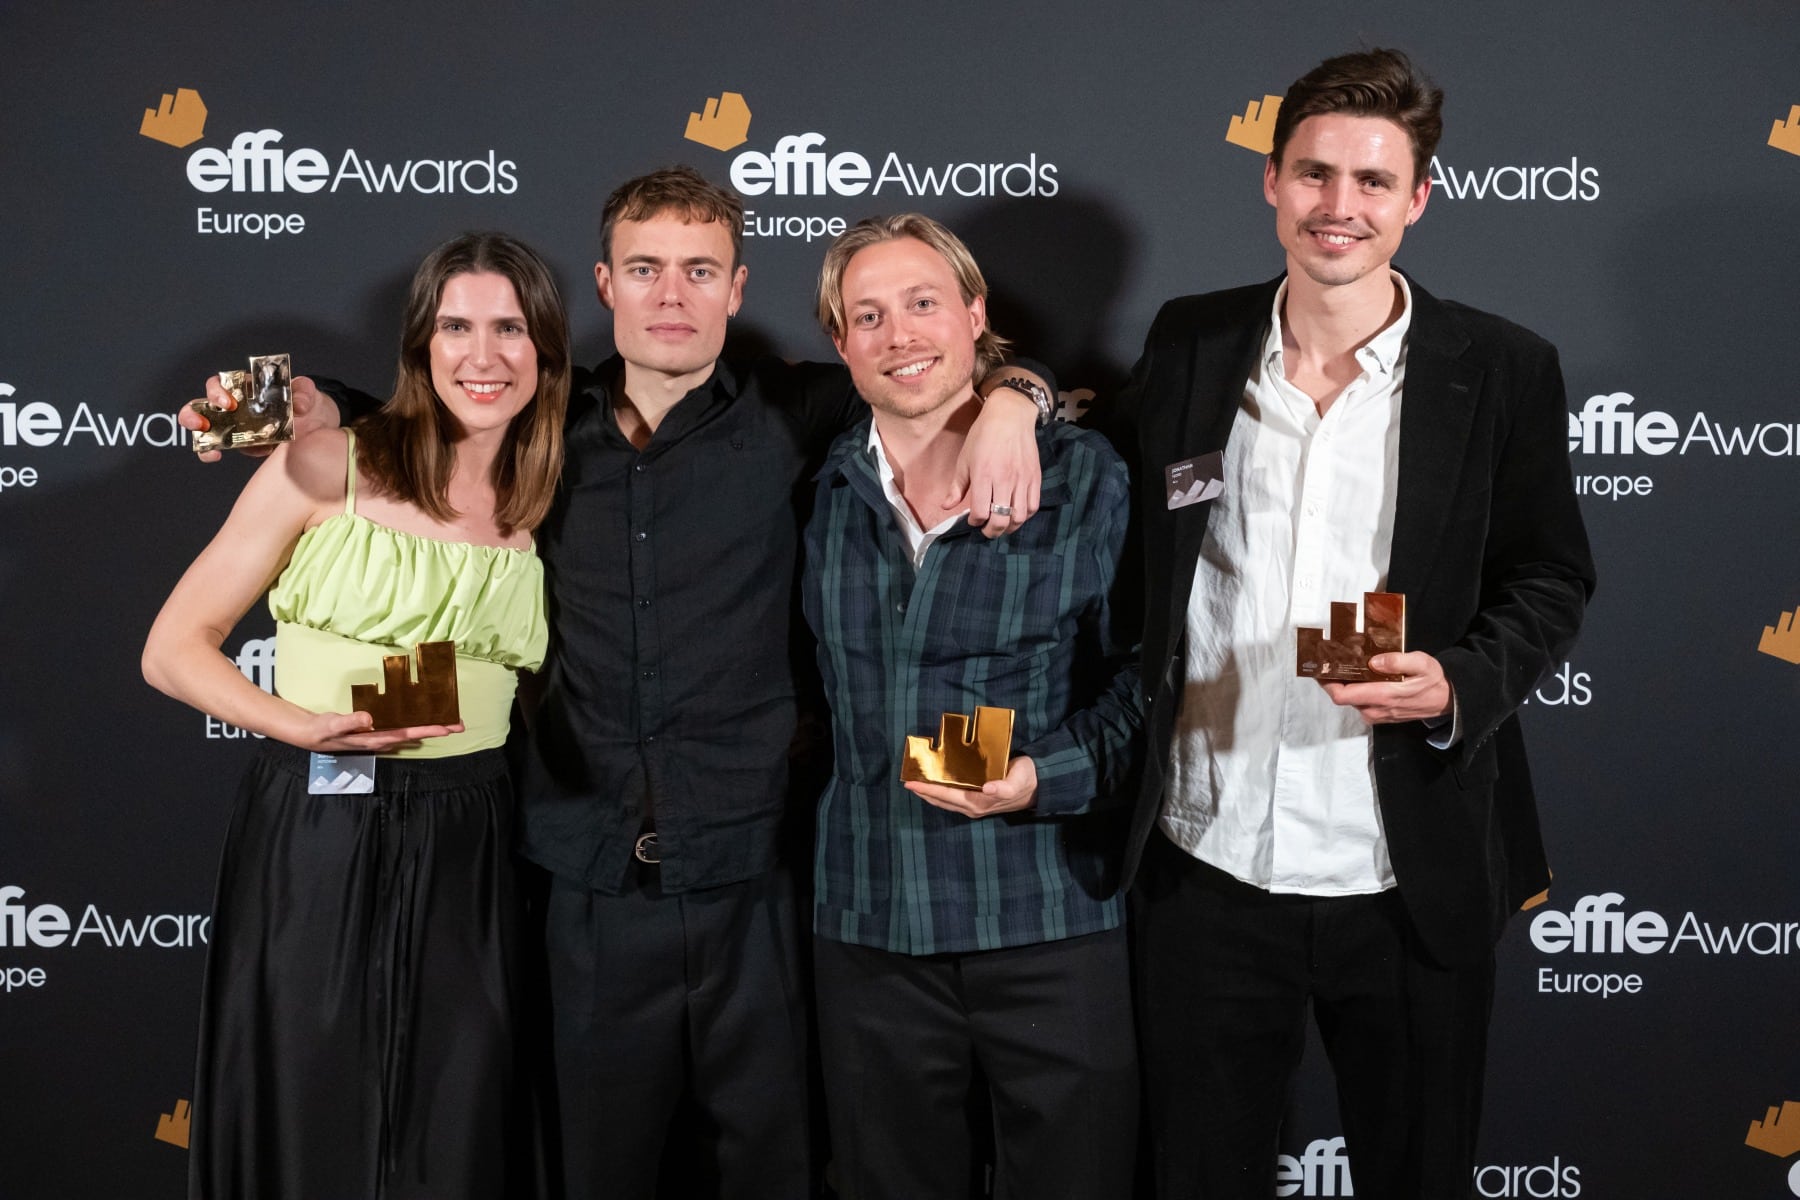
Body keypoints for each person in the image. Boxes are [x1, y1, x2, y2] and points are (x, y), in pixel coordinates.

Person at [180, 166, 1051, 1200]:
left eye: (700, 271)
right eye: (645, 269)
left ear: (737, 288)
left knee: (774, 1168)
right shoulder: (539, 429)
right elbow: (427, 423)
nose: (671, 295)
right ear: (604, 284)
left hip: (752, 881)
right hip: (582, 883)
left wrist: (1015, 400)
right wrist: (319, 403)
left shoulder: (798, 409)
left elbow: (926, 376)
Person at [1110, 49, 1597, 1198]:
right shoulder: (1191, 341)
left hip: (1406, 865)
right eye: (1315, 174)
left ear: (1418, 198)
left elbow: (1550, 574)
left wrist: (1461, 680)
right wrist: (1018, 399)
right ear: (1271, 182)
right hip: (1207, 857)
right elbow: (1113, 500)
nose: (1340, 205)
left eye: (1373, 181)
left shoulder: (1503, 368)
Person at [144, 231, 570, 1200]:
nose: (483, 355)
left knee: (456, 1113)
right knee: (313, 1094)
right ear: (421, 344)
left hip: (475, 829)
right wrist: (295, 727)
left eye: (510, 328)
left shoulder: (546, 491)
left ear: (545, 347)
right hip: (321, 816)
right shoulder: (324, 463)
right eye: (456, 327)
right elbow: (171, 648)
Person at [804, 214, 1142, 1199]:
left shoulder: (1083, 477)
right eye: (869, 315)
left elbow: (1148, 684)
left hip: (1046, 916)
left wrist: (1043, 777)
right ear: (840, 343)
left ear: (975, 315)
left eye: (923, 303)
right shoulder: (815, 484)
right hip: (867, 925)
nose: (900, 334)